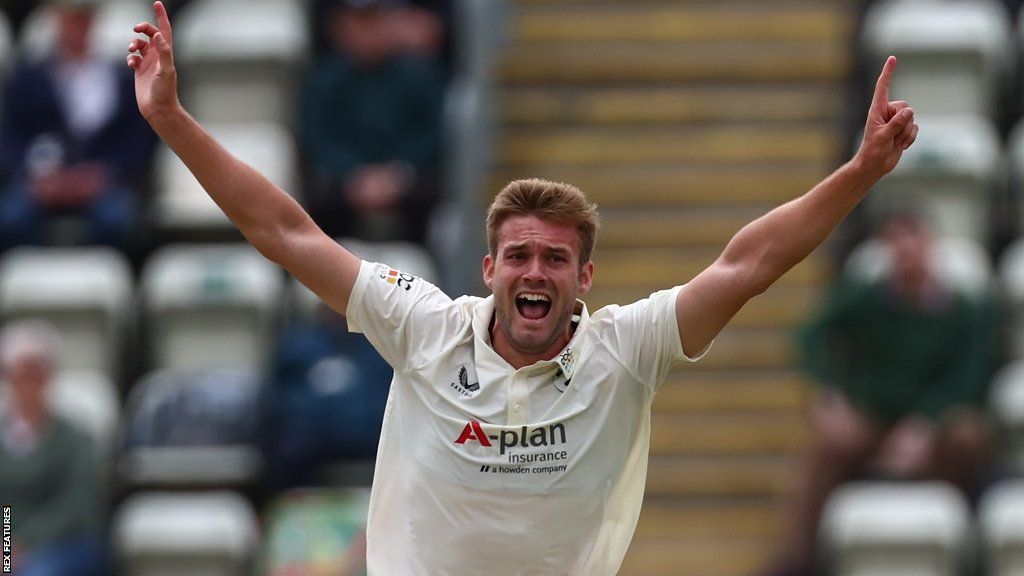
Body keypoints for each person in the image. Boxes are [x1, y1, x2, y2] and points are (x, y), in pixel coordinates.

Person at [125, 2, 918, 572]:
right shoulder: (424, 324)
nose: (534, 272)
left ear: (585, 279)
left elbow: (747, 265)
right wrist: (170, 120)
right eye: (519, 256)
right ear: (488, 270)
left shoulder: (626, 348)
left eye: (554, 260)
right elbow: (287, 233)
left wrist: (859, 174)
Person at [757, 215, 999, 576]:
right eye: (896, 250)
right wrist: (831, 395)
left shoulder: (964, 310)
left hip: (933, 428)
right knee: (826, 443)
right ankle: (798, 559)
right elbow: (810, 337)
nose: (906, 258)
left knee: (969, 434)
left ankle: (968, 547)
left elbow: (968, 377)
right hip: (872, 419)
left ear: (930, 249)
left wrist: (927, 424)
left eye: (913, 247)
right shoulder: (867, 298)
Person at [0, 0, 155, 252]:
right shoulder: (26, 78)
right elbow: (10, 138)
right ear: (56, 21)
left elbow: (136, 141)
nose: (76, 27)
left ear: (94, 22)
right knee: (12, 219)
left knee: (117, 220)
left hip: (103, 182)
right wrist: (36, 179)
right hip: (39, 182)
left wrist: (102, 175)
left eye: (83, 19)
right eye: (70, 19)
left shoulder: (120, 78)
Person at [300, 0, 445, 245]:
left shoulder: (419, 75)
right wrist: (351, 175)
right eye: (359, 22)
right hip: (345, 185)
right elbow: (319, 138)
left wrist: (398, 173)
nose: (367, 31)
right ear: (342, 27)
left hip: (406, 181)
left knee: (433, 202)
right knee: (316, 204)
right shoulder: (325, 80)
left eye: (375, 20)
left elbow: (432, 134)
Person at [0, 321, 108, 576]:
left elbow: (74, 506)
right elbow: (5, 508)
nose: (30, 384)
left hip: (64, 545)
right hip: (8, 545)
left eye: (38, 373)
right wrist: (7, 547)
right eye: (23, 374)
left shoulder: (77, 438)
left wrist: (22, 542)